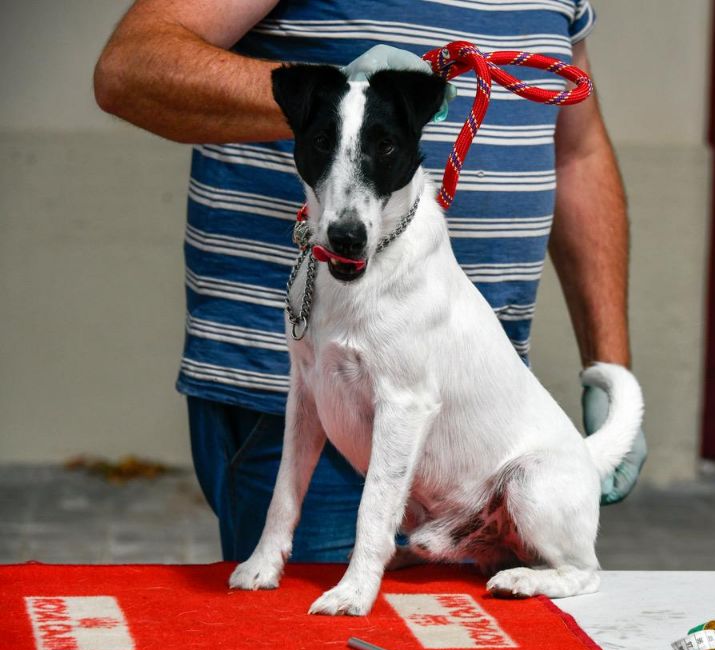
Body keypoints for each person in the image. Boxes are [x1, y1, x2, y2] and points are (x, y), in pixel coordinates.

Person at [94, 0, 646, 563]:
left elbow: (576, 152)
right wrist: (337, 101)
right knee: (321, 645)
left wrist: (609, 364)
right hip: (315, 396)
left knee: (472, 644)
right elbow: (131, 68)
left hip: (473, 403)